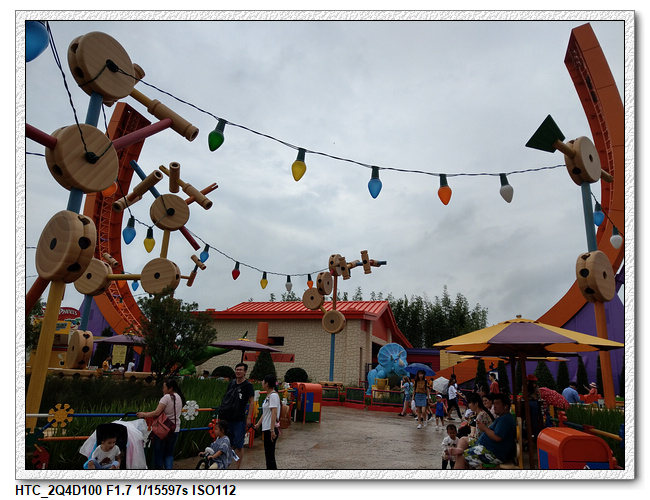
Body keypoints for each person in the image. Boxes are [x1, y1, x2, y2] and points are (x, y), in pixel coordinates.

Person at [450, 393, 516, 469]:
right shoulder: (502, 417)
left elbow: (497, 437)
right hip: (486, 446)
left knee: (461, 457)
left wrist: (484, 428)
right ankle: (461, 451)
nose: (495, 407)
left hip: (493, 453)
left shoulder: (505, 420)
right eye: (494, 404)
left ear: (505, 406)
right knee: (463, 440)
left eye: (497, 404)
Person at [136, 378, 185, 469]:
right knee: (169, 454)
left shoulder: (166, 397)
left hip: (162, 430)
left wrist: (144, 414)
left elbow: (157, 413)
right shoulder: (179, 397)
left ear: (170, 388)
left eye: (164, 387)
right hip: (175, 429)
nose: (163, 389)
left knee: (158, 454)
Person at [220, 362, 256, 469]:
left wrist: (249, 417)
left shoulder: (248, 386)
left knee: (239, 445)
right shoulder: (231, 383)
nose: (238, 371)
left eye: (240, 370)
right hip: (227, 417)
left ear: (245, 372)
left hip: (239, 419)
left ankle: (237, 467)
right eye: (237, 369)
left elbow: (251, 401)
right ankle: (227, 464)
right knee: (228, 443)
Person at [254, 374, 281, 469]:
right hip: (267, 428)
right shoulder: (269, 396)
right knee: (268, 454)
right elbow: (265, 413)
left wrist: (272, 430)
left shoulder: (273, 396)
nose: (262, 383)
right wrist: (258, 424)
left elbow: (274, 413)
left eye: (263, 381)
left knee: (270, 455)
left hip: (270, 429)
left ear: (267, 383)